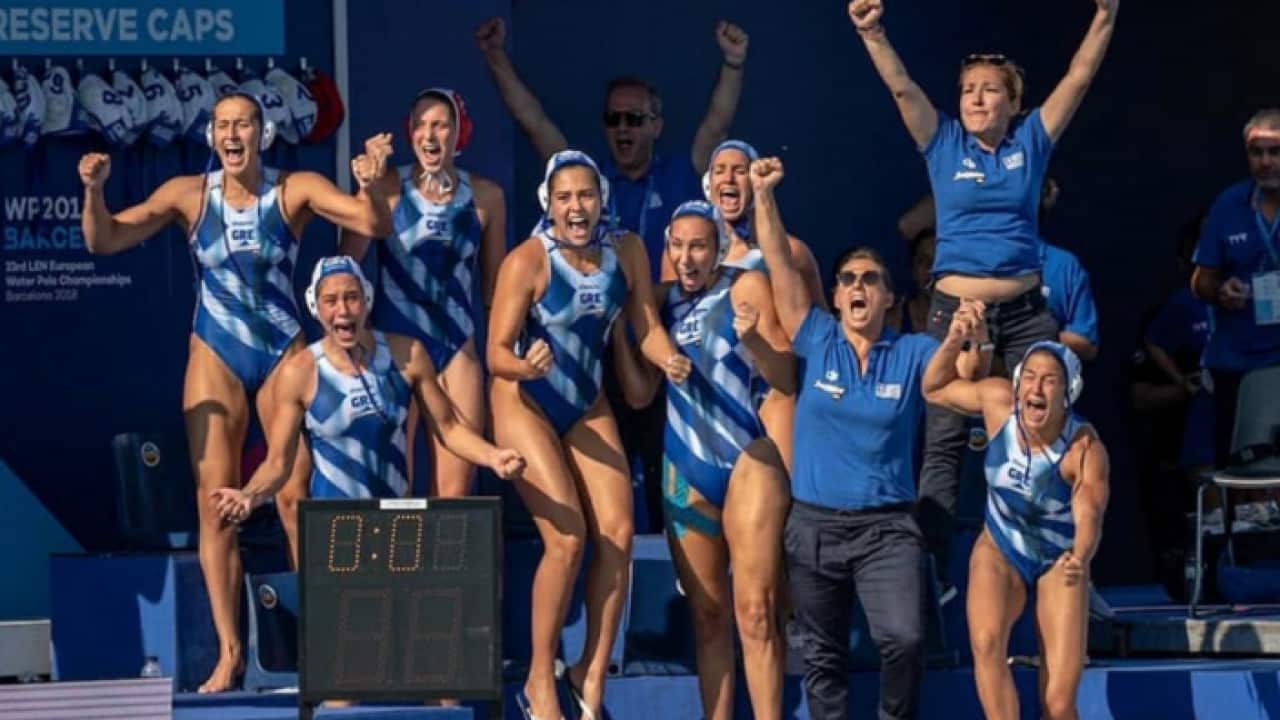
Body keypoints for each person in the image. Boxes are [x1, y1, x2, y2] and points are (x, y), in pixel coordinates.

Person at [79, 92, 394, 693]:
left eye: (243, 124)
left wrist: (370, 184)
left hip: (281, 350)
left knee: (296, 494)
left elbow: (371, 225)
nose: (233, 135)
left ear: (262, 132)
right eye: (222, 125)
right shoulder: (188, 195)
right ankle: (229, 654)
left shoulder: (294, 188)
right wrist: (94, 192)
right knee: (212, 500)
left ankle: (327, 647)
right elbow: (105, 241)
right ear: (211, 137)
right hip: (216, 350)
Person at [848, 0, 1118, 593]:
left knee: (1056, 434)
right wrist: (872, 33)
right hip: (954, 315)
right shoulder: (944, 144)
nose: (975, 99)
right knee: (943, 442)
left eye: (989, 90)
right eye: (968, 89)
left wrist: (1105, 15)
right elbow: (902, 88)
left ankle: (1067, 565)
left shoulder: (1033, 142)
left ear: (1013, 103)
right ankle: (929, 577)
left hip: (1024, 316)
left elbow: (1079, 77)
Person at [752, 156, 986, 719]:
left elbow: (966, 379)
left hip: (887, 529)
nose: (859, 287)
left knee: (904, 640)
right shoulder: (815, 339)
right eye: (849, 280)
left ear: (887, 298)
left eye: (872, 280)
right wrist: (763, 196)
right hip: (813, 527)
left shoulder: (912, 353)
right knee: (823, 657)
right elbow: (780, 266)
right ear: (835, 297)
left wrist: (968, 339)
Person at [486, 150, 691, 720]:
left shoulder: (624, 252)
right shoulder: (527, 261)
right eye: (564, 198)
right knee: (568, 539)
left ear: (602, 199)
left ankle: (589, 678)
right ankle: (537, 680)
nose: (576, 207)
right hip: (524, 400)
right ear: (548, 205)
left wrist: (669, 359)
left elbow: (645, 325)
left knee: (620, 535)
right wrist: (525, 368)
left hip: (585, 400)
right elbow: (496, 354)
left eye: (585, 195)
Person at [610, 201, 791, 720]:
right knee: (708, 617)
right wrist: (626, 335)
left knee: (755, 611)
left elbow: (785, 377)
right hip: (684, 466)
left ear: (717, 251)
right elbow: (641, 395)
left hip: (748, 460)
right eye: (678, 247)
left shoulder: (744, 287)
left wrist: (754, 336)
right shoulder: (659, 305)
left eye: (698, 247)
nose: (687, 258)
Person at [208, 256, 524, 517]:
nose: (342, 310)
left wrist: (493, 457)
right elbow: (278, 463)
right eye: (330, 301)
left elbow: (449, 428)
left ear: (367, 301)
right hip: (333, 529)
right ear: (316, 308)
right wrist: (249, 495)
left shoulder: (407, 355)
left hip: (396, 522)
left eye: (351, 298)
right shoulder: (300, 372)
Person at [923, 334, 1110, 720]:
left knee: (1059, 704)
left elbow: (1090, 510)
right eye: (1030, 377)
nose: (1036, 388)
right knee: (987, 642)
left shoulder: (1083, 449)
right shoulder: (997, 403)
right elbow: (935, 387)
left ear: (1067, 393)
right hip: (1001, 544)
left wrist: (1082, 554)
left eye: (1050, 380)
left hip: (1060, 556)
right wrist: (956, 339)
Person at [474, 16, 748, 274]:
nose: (623, 127)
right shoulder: (587, 179)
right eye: (613, 118)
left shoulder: (683, 172)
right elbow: (533, 122)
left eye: (634, 118)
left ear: (657, 126)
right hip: (607, 316)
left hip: (672, 316)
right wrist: (494, 55)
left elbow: (717, 124)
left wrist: (733, 62)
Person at [340, 88, 506, 498]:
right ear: (409, 133)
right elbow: (347, 259)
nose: (429, 136)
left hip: (456, 349)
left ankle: (447, 565)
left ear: (459, 133)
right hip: (396, 347)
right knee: (394, 489)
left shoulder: (486, 197)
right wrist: (369, 192)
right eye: (420, 125)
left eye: (441, 125)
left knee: (453, 496)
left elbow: (494, 289)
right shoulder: (389, 186)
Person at [700, 138, 826, 473]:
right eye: (720, 171)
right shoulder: (688, 255)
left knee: (782, 493)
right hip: (717, 394)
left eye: (739, 171)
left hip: (774, 392)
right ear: (708, 184)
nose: (728, 179)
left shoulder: (793, 252)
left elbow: (822, 330)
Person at [1191, 108, 1280, 469]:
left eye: (1275, 152)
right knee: (1236, 466)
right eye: (1256, 153)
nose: (1265, 162)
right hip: (1238, 360)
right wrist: (1220, 290)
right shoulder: (1229, 204)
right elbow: (1200, 282)